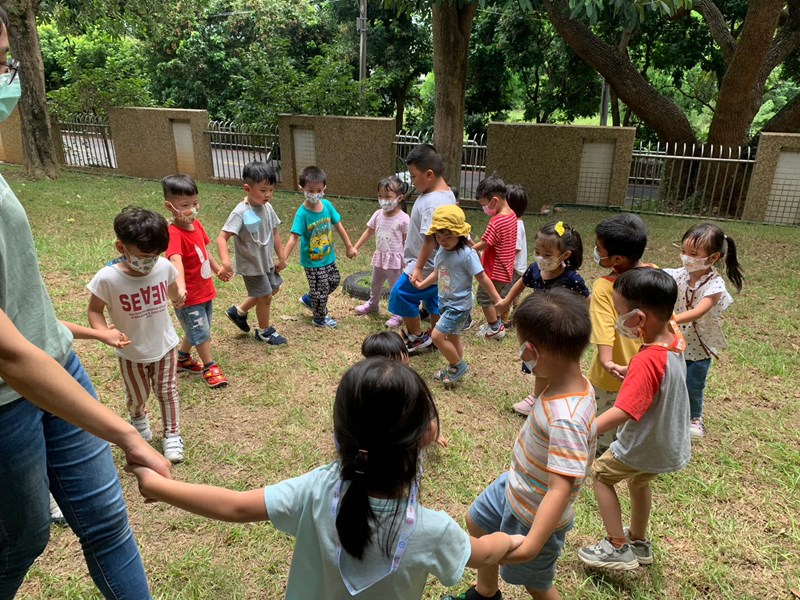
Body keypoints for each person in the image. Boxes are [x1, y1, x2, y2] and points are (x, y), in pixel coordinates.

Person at [0, 12, 170, 594]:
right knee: (21, 537)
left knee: (107, 524)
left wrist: (79, 338)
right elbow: (9, 355)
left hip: (58, 367)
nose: (5, 78)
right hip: (6, 401)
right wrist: (127, 433)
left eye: (6, 60)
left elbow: (23, 298)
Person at [127, 358, 524, 599]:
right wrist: (511, 539)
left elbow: (234, 505)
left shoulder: (318, 488)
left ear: (340, 434)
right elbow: (482, 553)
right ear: (426, 436)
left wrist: (158, 486)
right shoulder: (433, 529)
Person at [443, 289, 596, 600]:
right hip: (515, 486)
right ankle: (486, 592)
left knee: (536, 584)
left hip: (534, 512)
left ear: (535, 351)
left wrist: (533, 542)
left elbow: (561, 486)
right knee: (478, 521)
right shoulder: (568, 384)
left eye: (523, 351)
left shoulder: (565, 418)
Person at [577, 268, 690, 571]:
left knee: (601, 474)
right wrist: (634, 374)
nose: (618, 322)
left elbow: (624, 411)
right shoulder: (675, 339)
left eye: (620, 314)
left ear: (640, 319)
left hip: (644, 442)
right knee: (639, 482)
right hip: (669, 442)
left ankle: (617, 546)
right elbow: (660, 376)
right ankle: (639, 541)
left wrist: (583, 430)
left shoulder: (645, 360)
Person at [87, 207, 187, 463]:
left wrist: (178, 297)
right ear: (121, 248)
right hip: (130, 352)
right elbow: (95, 310)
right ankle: (138, 417)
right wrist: (102, 332)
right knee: (137, 395)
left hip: (164, 346)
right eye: (144, 256)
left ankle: (172, 434)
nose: (150, 262)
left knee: (168, 391)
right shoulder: (107, 279)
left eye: (155, 255)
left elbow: (173, 286)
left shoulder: (163, 266)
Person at [495, 221, 589, 416]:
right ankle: (538, 397)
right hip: (538, 328)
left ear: (565, 255)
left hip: (560, 330)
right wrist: (506, 302)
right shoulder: (535, 269)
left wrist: (580, 324)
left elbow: (586, 300)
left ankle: (547, 397)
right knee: (539, 361)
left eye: (547, 255)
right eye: (537, 251)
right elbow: (521, 283)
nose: (540, 258)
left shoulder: (572, 279)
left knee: (558, 363)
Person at [664, 223, 743, 438]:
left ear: (713, 257)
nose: (686, 257)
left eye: (693, 254)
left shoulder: (715, 285)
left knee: (693, 383)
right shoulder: (678, 275)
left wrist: (668, 321)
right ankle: (671, 413)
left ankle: (694, 417)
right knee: (672, 378)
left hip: (700, 346)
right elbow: (657, 275)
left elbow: (699, 311)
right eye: (683, 251)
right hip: (676, 341)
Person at [414, 205, 503, 386]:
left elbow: (482, 277)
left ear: (460, 234)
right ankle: (454, 367)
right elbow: (438, 272)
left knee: (438, 336)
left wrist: (497, 299)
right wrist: (423, 284)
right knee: (453, 336)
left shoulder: (467, 254)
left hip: (459, 305)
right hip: (445, 301)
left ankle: (457, 365)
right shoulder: (441, 251)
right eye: (439, 236)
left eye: (448, 236)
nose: (443, 240)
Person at [587, 213, 652, 451]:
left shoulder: (606, 286)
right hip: (646, 369)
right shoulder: (655, 276)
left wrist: (606, 361)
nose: (596, 251)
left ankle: (600, 458)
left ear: (616, 258)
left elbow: (604, 326)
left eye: (598, 248)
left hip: (611, 373)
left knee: (601, 429)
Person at [163, 174, 229, 388]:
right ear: (169, 206)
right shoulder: (173, 233)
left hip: (205, 290)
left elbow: (204, 249)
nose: (192, 208)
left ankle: (182, 358)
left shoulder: (197, 225)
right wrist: (180, 287)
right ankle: (209, 365)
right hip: (189, 297)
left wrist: (217, 268)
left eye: (194, 203)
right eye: (185, 205)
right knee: (201, 331)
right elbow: (175, 260)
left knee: (199, 327)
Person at [390, 144, 456, 352]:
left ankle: (417, 337)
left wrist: (417, 268)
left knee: (400, 293)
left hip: (425, 264)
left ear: (429, 175)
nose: (411, 180)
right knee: (434, 299)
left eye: (413, 175)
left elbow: (430, 239)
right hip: (440, 265)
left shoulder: (430, 201)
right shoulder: (447, 194)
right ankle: (438, 337)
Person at [218, 161, 288, 345]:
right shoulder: (240, 212)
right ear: (247, 188)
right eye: (263, 190)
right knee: (265, 296)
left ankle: (239, 312)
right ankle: (264, 331)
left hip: (266, 261)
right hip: (252, 264)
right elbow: (221, 237)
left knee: (273, 288)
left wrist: (282, 257)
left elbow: (275, 232)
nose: (268, 195)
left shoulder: (267, 208)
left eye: (271, 190)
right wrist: (225, 263)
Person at [285, 165, 357, 328]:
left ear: (324, 188)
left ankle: (312, 298)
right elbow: (293, 238)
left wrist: (349, 246)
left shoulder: (327, 206)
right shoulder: (302, 213)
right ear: (301, 189)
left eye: (319, 190)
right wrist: (283, 259)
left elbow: (338, 225)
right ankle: (319, 317)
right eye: (311, 190)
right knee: (322, 287)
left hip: (328, 257)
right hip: (312, 261)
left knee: (333, 281)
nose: (315, 194)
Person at [352, 176, 410, 328]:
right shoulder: (378, 214)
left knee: (395, 288)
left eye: (388, 197)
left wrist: (408, 260)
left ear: (399, 198)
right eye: (380, 196)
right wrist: (356, 247)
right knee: (375, 283)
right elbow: (368, 232)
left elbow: (407, 241)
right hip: (380, 257)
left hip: (396, 260)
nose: (384, 200)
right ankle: (373, 304)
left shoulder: (404, 219)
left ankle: (398, 314)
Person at [471, 175, 517, 341]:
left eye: (484, 204)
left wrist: (467, 250)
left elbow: (484, 243)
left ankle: (494, 328)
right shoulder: (512, 215)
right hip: (506, 269)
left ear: (495, 200)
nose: (484, 208)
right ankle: (496, 322)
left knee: (484, 297)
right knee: (494, 298)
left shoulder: (496, 221)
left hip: (494, 270)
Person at [506, 184, 529, 318]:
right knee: (514, 293)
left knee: (506, 293)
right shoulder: (518, 222)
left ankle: (503, 318)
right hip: (517, 266)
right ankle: (517, 310)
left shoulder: (514, 224)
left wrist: (504, 263)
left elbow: (515, 248)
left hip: (513, 267)